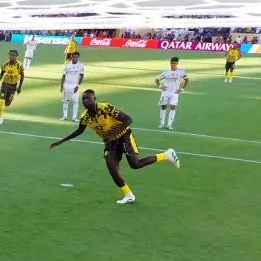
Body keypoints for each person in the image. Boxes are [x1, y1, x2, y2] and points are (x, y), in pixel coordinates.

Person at [49, 90, 180, 204]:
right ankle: (129, 195)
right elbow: (79, 130)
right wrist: (61, 141)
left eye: (88, 97)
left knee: (135, 164)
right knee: (111, 166)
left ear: (94, 99)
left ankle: (167, 155)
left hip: (124, 137)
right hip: (111, 144)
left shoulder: (106, 108)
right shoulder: (85, 117)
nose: (85, 100)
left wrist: (113, 135)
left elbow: (128, 119)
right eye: (83, 98)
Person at [155, 57, 188, 130]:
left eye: (174, 63)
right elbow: (157, 80)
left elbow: (187, 80)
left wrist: (182, 89)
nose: (172, 64)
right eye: (171, 63)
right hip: (165, 92)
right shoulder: (166, 72)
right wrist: (160, 86)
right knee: (163, 107)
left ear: (177, 63)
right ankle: (162, 123)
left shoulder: (181, 72)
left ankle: (169, 125)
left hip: (174, 93)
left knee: (173, 107)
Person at [0, 49, 24, 125]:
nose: (12, 56)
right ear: (9, 55)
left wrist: (20, 87)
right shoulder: (5, 64)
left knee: (7, 103)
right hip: (5, 84)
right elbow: (2, 72)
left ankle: (4, 106)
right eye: (11, 55)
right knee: (2, 100)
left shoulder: (19, 65)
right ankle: (0, 118)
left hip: (13, 86)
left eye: (14, 55)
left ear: (16, 56)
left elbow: (22, 76)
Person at [60, 51, 85, 120]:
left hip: (74, 86)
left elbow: (82, 75)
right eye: (73, 57)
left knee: (75, 101)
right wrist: (61, 86)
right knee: (65, 100)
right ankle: (65, 116)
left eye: (76, 57)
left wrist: (78, 85)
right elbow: (63, 76)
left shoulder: (81, 66)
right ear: (71, 57)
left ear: (78, 58)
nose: (75, 58)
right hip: (66, 85)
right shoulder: (67, 65)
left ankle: (74, 117)